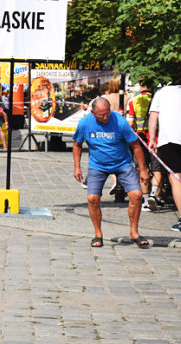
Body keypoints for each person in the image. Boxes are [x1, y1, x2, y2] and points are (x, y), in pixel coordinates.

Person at [73, 97, 149, 248]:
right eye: (101, 115)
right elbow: (77, 145)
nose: (105, 117)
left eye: (107, 113)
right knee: (92, 198)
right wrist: (77, 167)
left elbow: (136, 146)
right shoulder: (85, 123)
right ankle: (98, 234)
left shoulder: (119, 121)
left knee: (137, 195)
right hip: (97, 165)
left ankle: (134, 232)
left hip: (123, 163)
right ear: (93, 113)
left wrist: (143, 169)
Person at [149, 80, 181, 231]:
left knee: (175, 178)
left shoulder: (161, 93)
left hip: (169, 140)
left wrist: (151, 139)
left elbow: (153, 116)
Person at [126, 83, 163, 211]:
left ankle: (145, 200)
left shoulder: (133, 100)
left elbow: (130, 122)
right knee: (157, 169)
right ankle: (154, 194)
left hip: (140, 139)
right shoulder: (158, 99)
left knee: (143, 168)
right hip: (157, 139)